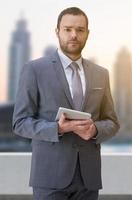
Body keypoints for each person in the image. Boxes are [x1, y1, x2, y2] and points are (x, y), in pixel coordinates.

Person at [12, 7, 120, 200]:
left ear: (87, 33)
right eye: (68, 29)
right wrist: (57, 129)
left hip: (88, 179)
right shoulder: (34, 70)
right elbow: (20, 123)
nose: (74, 35)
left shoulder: (100, 74)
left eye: (80, 30)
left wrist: (95, 130)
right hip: (49, 178)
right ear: (57, 31)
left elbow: (112, 122)